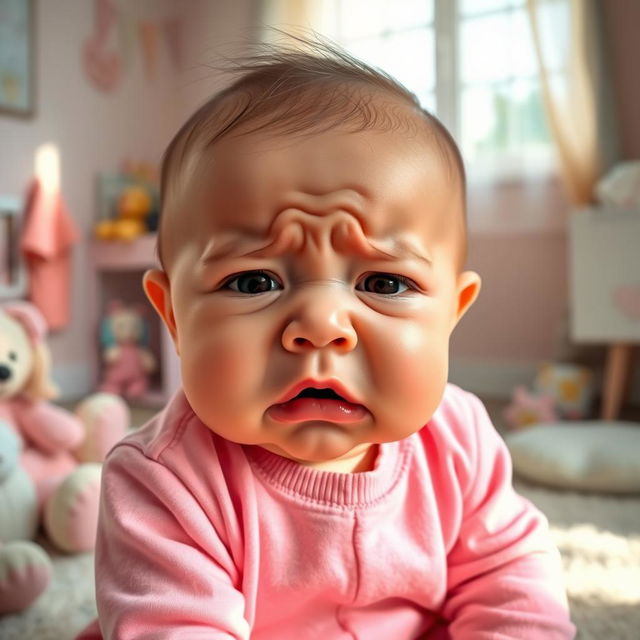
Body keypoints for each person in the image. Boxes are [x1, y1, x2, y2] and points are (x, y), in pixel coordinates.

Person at [78, 40, 575, 639]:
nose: (320, 324)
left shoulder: (459, 440)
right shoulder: (162, 480)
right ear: (174, 317)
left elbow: (511, 576)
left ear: (451, 311)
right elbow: (173, 625)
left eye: (384, 281)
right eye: (254, 280)